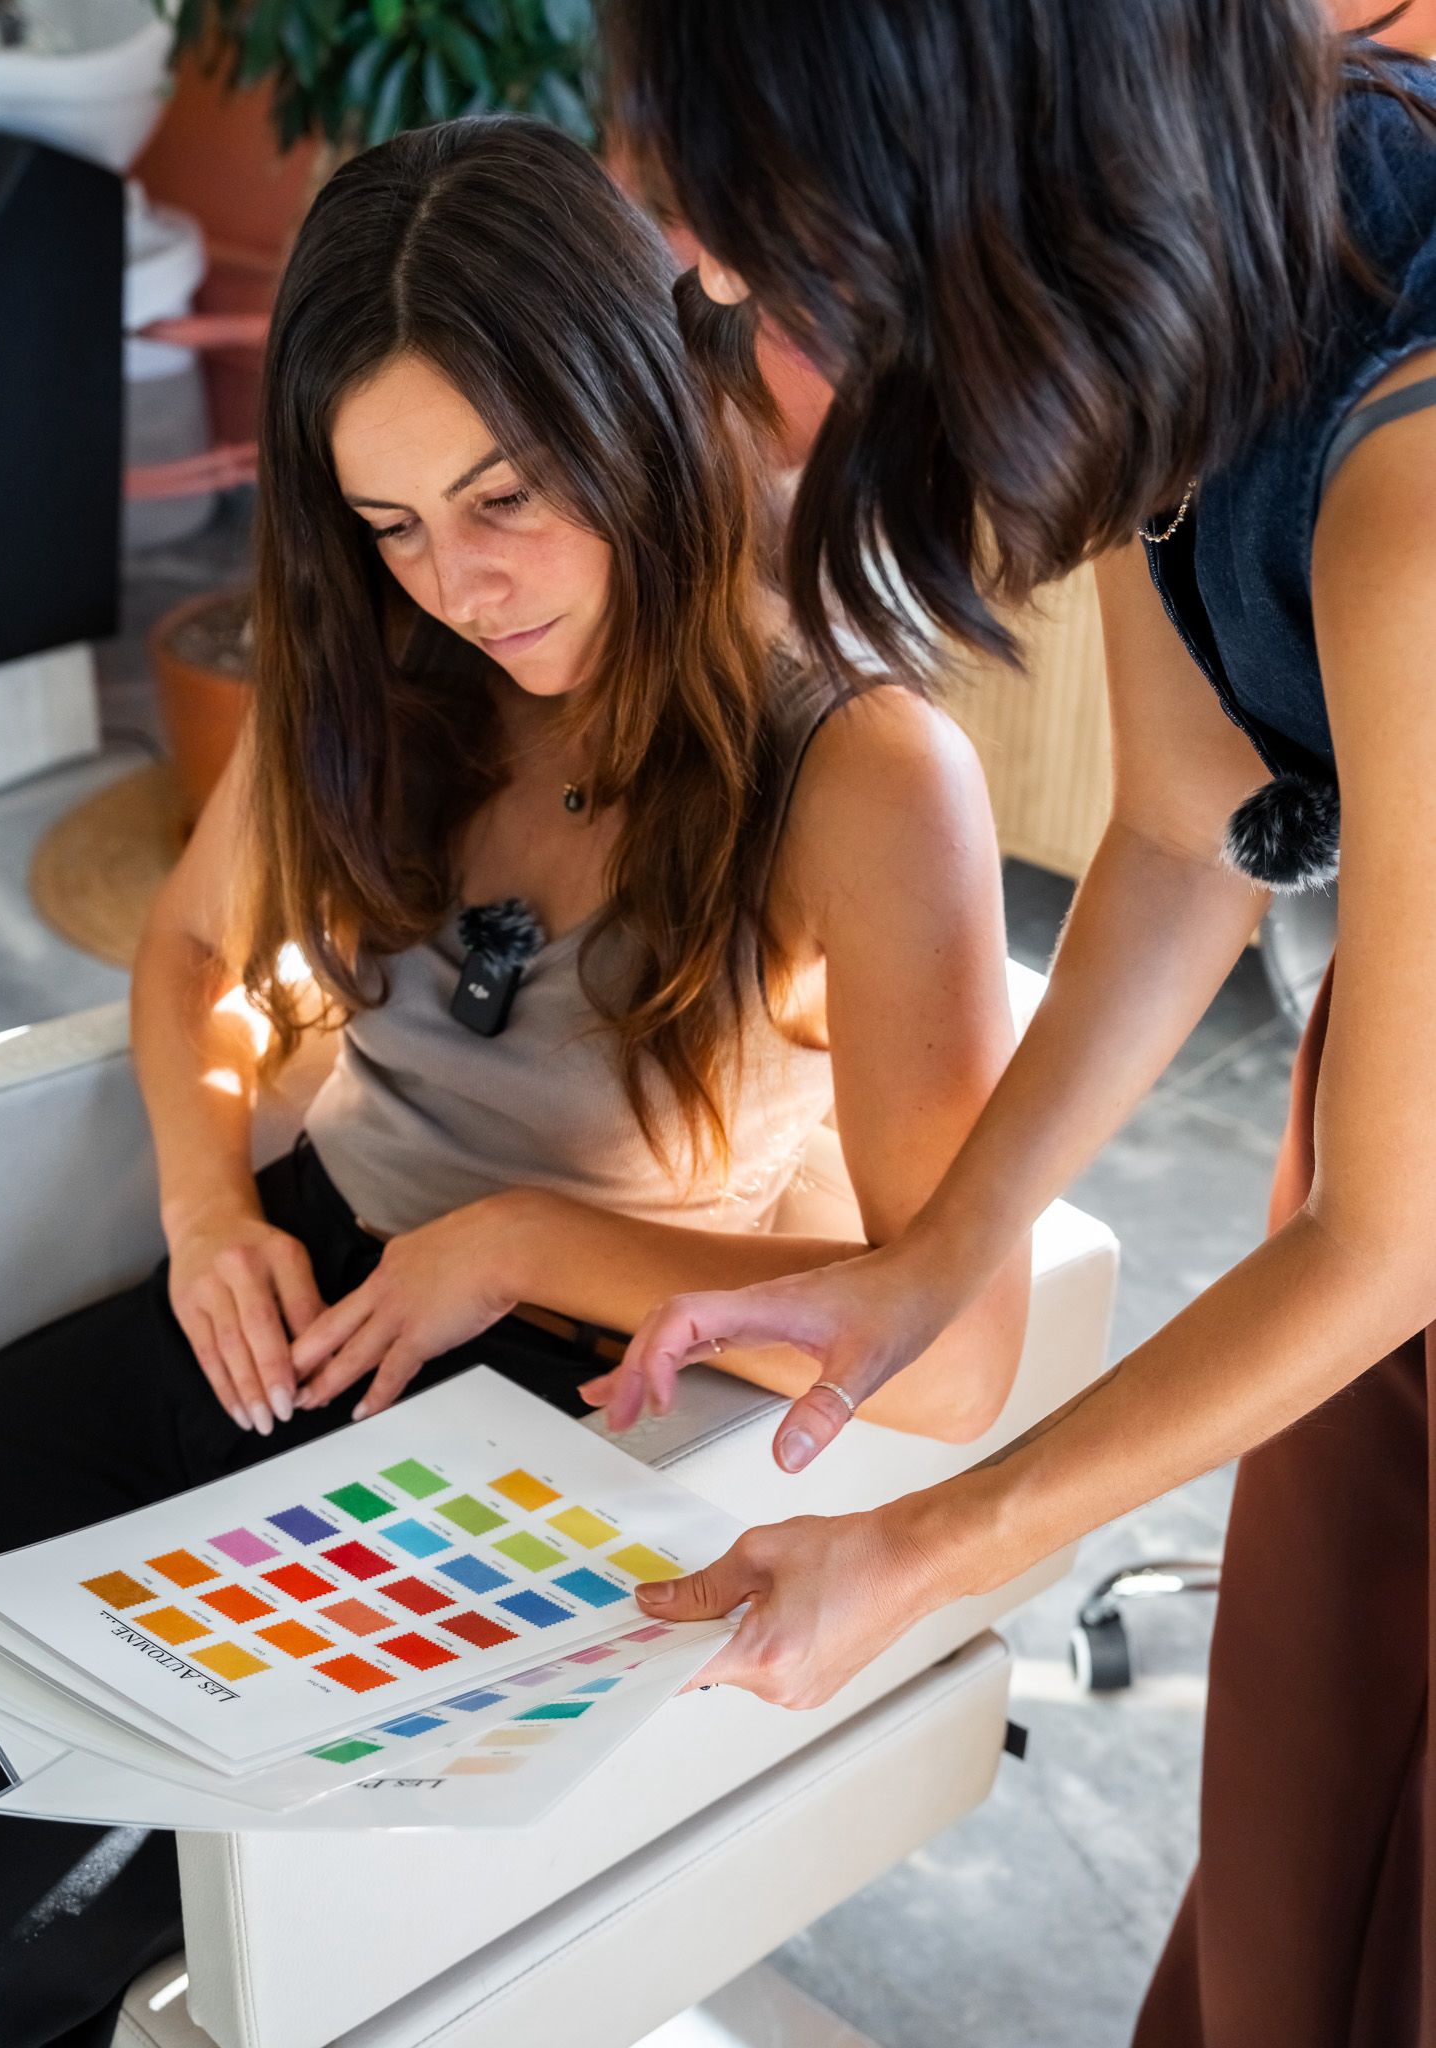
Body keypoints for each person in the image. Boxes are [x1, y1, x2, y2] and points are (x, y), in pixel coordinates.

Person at [0, 117, 1027, 2047]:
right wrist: (208, 1205)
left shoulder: (861, 773)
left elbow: (952, 1353)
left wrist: (525, 1237)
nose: (459, 585)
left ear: (638, 405)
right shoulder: (391, 662)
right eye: (388, 526)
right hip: (277, 1306)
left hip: (513, 1454)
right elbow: (199, 956)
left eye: (505, 496)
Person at [592, 4, 1436, 2041]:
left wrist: (925, 1547)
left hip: (1403, 1217)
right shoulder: (1203, 274)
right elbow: (1184, 831)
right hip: (1393, 1173)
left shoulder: (1415, 506)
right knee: (1293, 1897)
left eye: (754, 235)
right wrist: (931, 1257)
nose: (710, 282)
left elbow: (1392, 1243)